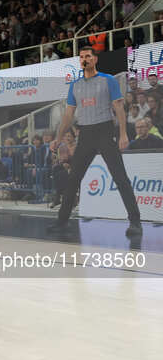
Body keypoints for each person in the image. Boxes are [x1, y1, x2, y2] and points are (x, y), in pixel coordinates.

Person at [48, 46, 142, 235]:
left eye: (88, 56)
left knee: (120, 177)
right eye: (82, 57)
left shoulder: (108, 80)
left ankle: (135, 222)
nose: (85, 59)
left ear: (95, 59)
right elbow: (68, 115)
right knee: (73, 178)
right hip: (85, 134)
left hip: (105, 131)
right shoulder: (75, 85)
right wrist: (58, 138)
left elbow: (119, 108)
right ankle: (62, 220)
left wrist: (123, 134)